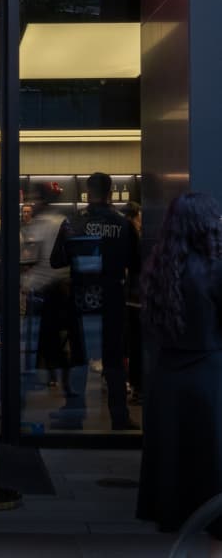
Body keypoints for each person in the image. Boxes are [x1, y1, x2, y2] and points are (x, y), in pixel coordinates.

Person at [136, 192, 222, 550]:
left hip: (168, 376)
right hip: (209, 375)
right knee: (212, 461)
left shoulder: (159, 269)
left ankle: (176, 532)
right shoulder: (215, 270)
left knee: (174, 460)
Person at [50, 171, 140, 431]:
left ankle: (75, 414)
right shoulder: (123, 224)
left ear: (87, 193)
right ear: (110, 193)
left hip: (80, 299)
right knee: (113, 360)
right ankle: (119, 418)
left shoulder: (72, 222)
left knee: (79, 359)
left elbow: (56, 260)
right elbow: (136, 263)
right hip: (113, 298)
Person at [21, 183, 85, 394]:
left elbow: (30, 259)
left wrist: (26, 283)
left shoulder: (38, 225)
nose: (32, 203)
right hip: (62, 287)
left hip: (45, 289)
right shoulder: (61, 221)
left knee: (48, 339)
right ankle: (64, 382)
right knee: (61, 338)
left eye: (35, 199)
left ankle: (53, 377)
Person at [123, 201, 143, 404]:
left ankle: (135, 384)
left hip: (130, 295)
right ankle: (137, 385)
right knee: (136, 343)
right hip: (137, 296)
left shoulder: (125, 231)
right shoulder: (132, 233)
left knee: (132, 342)